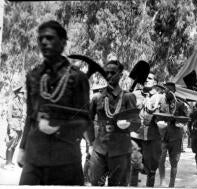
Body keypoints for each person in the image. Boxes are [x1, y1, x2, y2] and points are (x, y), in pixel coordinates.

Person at [17, 20, 92, 185]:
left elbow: (85, 120)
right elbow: (30, 116)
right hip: (35, 158)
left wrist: (58, 127)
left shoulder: (77, 78)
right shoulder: (33, 76)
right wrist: (22, 148)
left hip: (65, 161)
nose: (44, 42)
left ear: (63, 42)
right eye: (41, 39)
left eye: (50, 38)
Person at [88, 60, 138, 186]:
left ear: (120, 75)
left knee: (118, 186)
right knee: (95, 183)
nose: (109, 76)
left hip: (121, 151)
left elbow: (137, 123)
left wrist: (128, 124)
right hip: (99, 150)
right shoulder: (97, 98)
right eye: (106, 73)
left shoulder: (128, 97)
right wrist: (90, 143)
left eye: (112, 73)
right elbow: (87, 121)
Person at [130, 72, 162, 187]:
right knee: (134, 165)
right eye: (145, 77)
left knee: (151, 168)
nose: (147, 80)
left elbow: (165, 115)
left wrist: (161, 121)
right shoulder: (133, 95)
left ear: (155, 82)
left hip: (152, 136)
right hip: (135, 136)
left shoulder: (160, 97)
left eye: (150, 78)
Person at [158, 82, 188, 187]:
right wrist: (159, 122)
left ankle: (172, 184)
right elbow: (157, 116)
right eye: (165, 89)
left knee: (174, 162)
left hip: (175, 137)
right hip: (163, 136)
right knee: (160, 160)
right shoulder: (161, 102)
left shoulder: (180, 104)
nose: (166, 91)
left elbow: (185, 119)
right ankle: (162, 181)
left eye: (168, 89)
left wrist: (181, 123)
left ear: (174, 91)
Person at [4, 86, 25, 169]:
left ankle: (10, 161)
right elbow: (9, 116)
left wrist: (23, 120)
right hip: (13, 126)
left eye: (23, 93)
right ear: (17, 93)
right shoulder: (12, 102)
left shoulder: (20, 102)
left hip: (19, 126)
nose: (23, 94)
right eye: (21, 92)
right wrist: (11, 128)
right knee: (10, 144)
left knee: (15, 144)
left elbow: (22, 114)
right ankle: (7, 163)